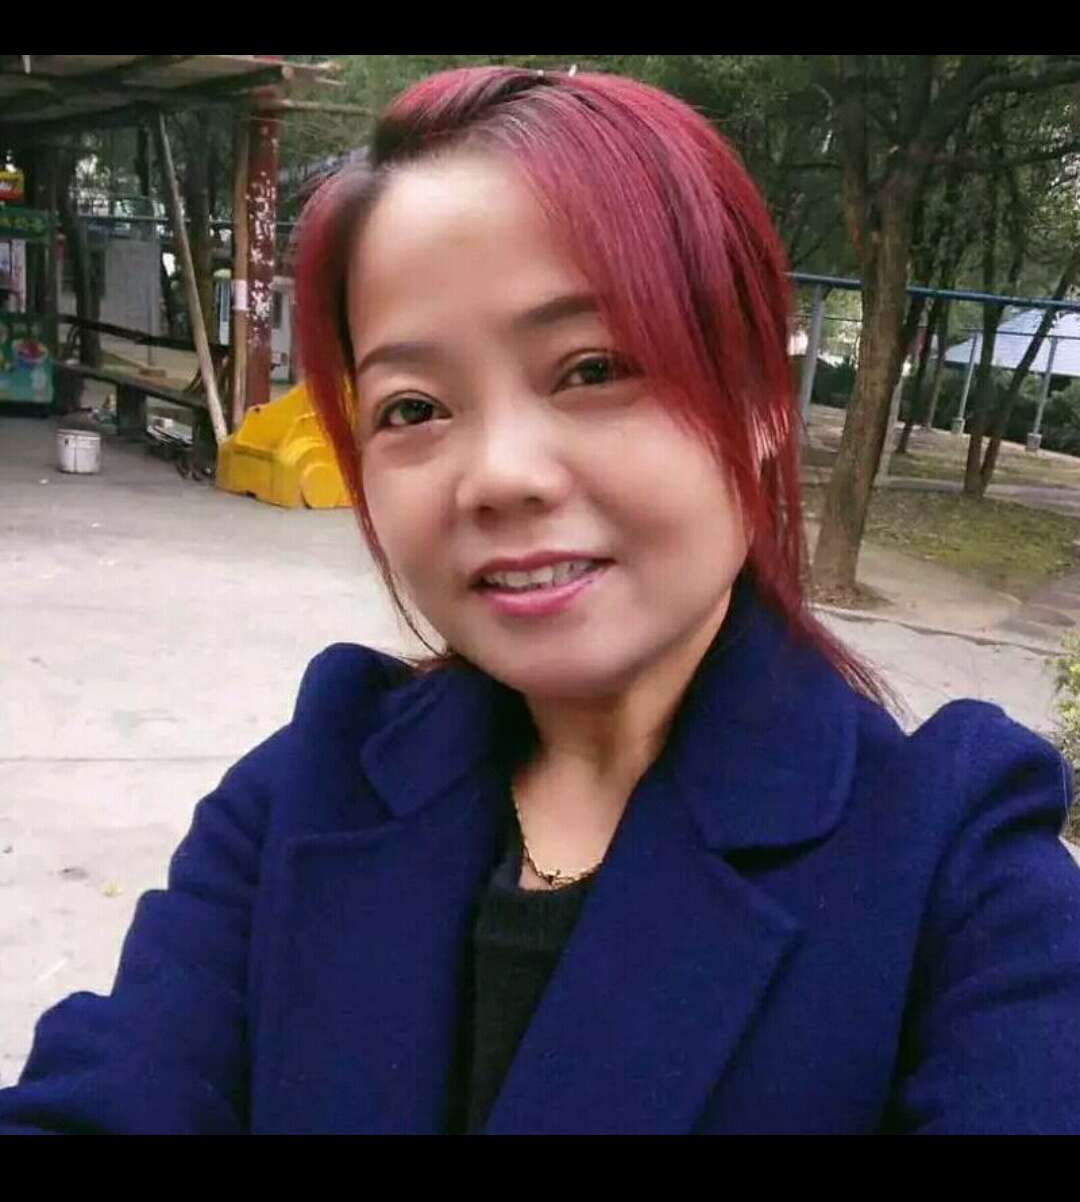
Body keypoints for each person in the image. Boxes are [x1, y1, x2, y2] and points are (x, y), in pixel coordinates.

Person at [2, 63, 1080, 1135]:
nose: (502, 476)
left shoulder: (958, 875)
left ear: (760, 402)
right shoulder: (300, 797)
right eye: (415, 407)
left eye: (593, 368)